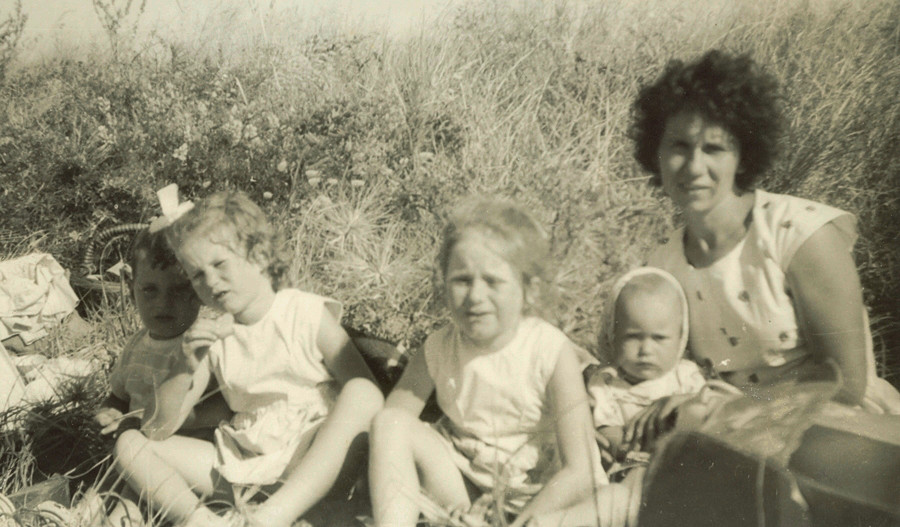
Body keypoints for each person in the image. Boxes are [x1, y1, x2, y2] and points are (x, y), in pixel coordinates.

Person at [627, 49, 900, 448]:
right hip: (729, 436)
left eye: (714, 149)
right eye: (679, 146)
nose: (693, 167)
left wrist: (729, 406)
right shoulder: (664, 265)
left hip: (839, 436)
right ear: (656, 153)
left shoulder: (799, 235)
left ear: (742, 155)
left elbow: (845, 386)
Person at [113, 190, 384, 527]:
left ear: (258, 256)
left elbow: (369, 396)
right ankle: (204, 522)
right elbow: (157, 430)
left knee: (361, 393)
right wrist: (186, 366)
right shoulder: (212, 335)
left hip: (315, 464)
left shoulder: (303, 312)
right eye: (196, 275)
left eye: (219, 264)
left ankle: (273, 517)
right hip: (244, 464)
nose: (210, 281)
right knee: (130, 444)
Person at [368, 198, 606, 527]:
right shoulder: (438, 347)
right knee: (388, 424)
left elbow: (580, 470)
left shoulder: (550, 351)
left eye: (493, 282)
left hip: (539, 498)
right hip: (464, 489)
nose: (476, 297)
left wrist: (519, 520)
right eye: (462, 280)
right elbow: (393, 420)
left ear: (529, 289)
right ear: (444, 283)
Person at [94, 227, 230, 439]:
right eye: (149, 290)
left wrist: (146, 422)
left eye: (178, 290)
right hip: (137, 445)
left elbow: (222, 410)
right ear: (131, 290)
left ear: (200, 291)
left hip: (183, 450)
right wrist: (109, 413)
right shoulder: (135, 346)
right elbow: (118, 397)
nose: (163, 303)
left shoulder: (203, 344)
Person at [586, 267, 705, 472]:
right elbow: (608, 430)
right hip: (628, 467)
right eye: (632, 337)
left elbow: (703, 419)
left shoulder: (687, 378)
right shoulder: (606, 384)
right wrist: (623, 449)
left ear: (680, 338)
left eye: (659, 338)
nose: (646, 350)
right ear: (613, 336)